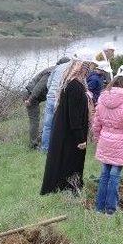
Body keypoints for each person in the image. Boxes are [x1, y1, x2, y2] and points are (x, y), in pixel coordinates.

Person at [91, 66, 123, 214]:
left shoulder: (102, 96)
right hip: (121, 144)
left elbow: (96, 124)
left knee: (105, 173)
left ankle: (99, 208)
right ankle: (111, 210)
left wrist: (98, 139)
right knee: (114, 176)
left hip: (105, 141)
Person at [40, 59, 94, 195]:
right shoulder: (75, 86)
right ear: (83, 69)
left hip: (65, 130)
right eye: (88, 68)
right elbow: (74, 115)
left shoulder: (70, 83)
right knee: (71, 159)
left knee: (62, 159)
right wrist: (80, 138)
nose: (89, 72)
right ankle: (69, 187)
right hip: (70, 133)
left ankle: (64, 186)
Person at [24, 57, 71, 149]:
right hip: (31, 95)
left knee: (49, 120)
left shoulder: (57, 71)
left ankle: (40, 139)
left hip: (36, 97)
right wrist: (30, 99)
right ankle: (33, 145)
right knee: (35, 121)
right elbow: (39, 86)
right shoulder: (51, 71)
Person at [40, 56, 73, 152]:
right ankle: (58, 148)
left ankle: (45, 148)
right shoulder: (71, 68)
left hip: (50, 96)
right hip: (60, 98)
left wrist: (51, 92)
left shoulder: (57, 68)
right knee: (60, 124)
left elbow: (48, 83)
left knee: (47, 125)